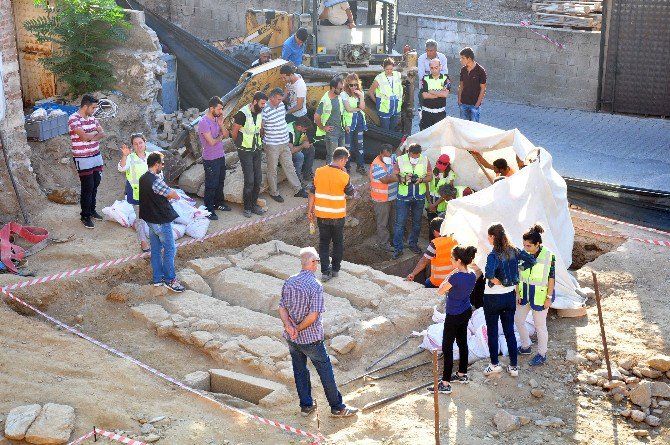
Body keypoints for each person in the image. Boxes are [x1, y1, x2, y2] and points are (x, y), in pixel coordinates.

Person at [278, 246, 359, 417]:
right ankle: (337, 407)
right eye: (317, 261)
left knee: (300, 370)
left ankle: (306, 406)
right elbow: (313, 316)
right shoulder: (315, 285)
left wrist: (289, 326)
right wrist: (298, 329)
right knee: (325, 371)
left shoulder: (289, 281)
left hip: (292, 339)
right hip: (311, 338)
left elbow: (282, 307)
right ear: (313, 263)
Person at [482, 223, 536, 377]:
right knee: (509, 332)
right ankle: (513, 367)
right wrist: (514, 275)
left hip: (492, 298)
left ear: (493, 237)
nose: (488, 238)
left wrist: (501, 280)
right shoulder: (513, 250)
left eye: (489, 236)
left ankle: (494, 365)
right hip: (509, 297)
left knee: (492, 332)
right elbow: (531, 261)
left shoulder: (493, 255)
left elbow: (489, 274)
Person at [429, 245, 481, 394]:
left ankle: (445, 383)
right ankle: (462, 374)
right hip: (465, 311)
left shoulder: (455, 276)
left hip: (453, 314)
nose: (451, 261)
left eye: (452, 259)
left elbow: (440, 290)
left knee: (447, 346)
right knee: (462, 342)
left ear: (458, 260)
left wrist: (450, 274)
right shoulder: (471, 274)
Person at [138, 152, 185, 293]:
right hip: (160, 220)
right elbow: (173, 195)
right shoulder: (156, 181)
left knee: (156, 250)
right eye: (162, 164)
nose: (162, 166)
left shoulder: (143, 178)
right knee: (170, 249)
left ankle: (158, 279)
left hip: (150, 220)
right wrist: (170, 194)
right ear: (157, 164)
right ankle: (170, 280)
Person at [307, 147, 354, 282]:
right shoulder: (344, 176)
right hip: (338, 216)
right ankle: (335, 270)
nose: (345, 163)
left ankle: (325, 272)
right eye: (345, 161)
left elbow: (312, 192)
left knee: (324, 243)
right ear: (341, 159)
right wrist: (345, 174)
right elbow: (351, 193)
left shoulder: (319, 172)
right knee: (338, 243)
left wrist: (310, 211)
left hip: (322, 215)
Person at [515, 224, 556, 367]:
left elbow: (551, 278)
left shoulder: (549, 256)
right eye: (524, 245)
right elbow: (518, 273)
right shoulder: (523, 254)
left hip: (540, 296)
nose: (526, 248)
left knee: (540, 326)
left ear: (537, 244)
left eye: (529, 246)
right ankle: (526, 346)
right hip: (524, 294)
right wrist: (517, 292)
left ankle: (542, 354)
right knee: (518, 320)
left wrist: (549, 298)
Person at [262, 87, 309, 203]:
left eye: (281, 99)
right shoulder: (265, 109)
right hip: (272, 144)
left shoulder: (282, 105)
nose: (280, 101)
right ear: (271, 97)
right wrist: (265, 140)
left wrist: (286, 139)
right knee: (272, 169)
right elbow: (261, 128)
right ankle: (274, 192)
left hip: (284, 143)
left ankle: (298, 189)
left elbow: (282, 122)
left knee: (289, 166)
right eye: (278, 99)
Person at [68, 94, 105, 229]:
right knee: (88, 186)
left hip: (96, 155)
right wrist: (92, 136)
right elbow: (83, 137)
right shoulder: (73, 119)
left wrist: (89, 137)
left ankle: (92, 210)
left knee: (96, 183)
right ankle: (85, 215)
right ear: (86, 106)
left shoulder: (93, 118)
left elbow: (103, 133)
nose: (94, 110)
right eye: (93, 107)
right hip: (82, 157)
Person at [231, 91, 268, 218]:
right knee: (250, 180)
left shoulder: (259, 112)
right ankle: (247, 208)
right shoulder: (242, 114)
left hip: (256, 149)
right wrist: (239, 145)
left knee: (258, 179)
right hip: (245, 150)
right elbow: (234, 132)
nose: (264, 106)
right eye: (262, 103)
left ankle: (253, 205)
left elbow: (259, 128)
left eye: (264, 104)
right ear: (255, 101)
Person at [392, 143, 432, 259]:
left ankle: (413, 244)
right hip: (403, 197)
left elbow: (430, 177)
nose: (415, 158)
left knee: (417, 223)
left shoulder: (425, 160)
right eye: (413, 156)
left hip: (418, 197)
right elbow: (394, 175)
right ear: (408, 152)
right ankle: (398, 248)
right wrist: (403, 179)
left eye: (417, 156)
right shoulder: (400, 160)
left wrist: (421, 180)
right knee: (399, 224)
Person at [198, 96, 231, 221]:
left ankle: (219, 203)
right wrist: (220, 137)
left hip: (220, 156)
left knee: (220, 182)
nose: (221, 111)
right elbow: (211, 142)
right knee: (211, 184)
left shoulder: (218, 120)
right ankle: (209, 209)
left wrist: (221, 125)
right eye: (219, 109)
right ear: (212, 108)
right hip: (210, 159)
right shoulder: (203, 123)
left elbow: (226, 135)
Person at [118, 133, 150, 252]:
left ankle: (155, 239)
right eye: (135, 144)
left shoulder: (151, 156)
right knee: (140, 218)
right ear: (132, 146)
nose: (139, 145)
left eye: (140, 143)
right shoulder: (130, 158)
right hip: (137, 194)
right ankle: (143, 242)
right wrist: (124, 156)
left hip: (151, 193)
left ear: (145, 143)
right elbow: (121, 168)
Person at [405, 217, 458, 288]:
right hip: (453, 279)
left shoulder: (435, 244)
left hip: (439, 282)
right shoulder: (455, 239)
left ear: (435, 231)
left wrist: (413, 274)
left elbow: (424, 261)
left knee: (427, 283)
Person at [369, 144, 398, 252]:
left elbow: (397, 154)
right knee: (383, 223)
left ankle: (394, 241)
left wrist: (403, 143)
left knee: (393, 221)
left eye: (389, 156)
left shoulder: (390, 158)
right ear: (380, 153)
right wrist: (398, 178)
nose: (388, 158)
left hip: (392, 197)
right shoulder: (377, 165)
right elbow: (385, 180)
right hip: (381, 200)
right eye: (386, 155)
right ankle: (383, 243)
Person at [341, 72, 367, 175]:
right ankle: (347, 167)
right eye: (351, 85)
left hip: (359, 122)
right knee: (348, 147)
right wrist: (358, 109)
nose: (353, 87)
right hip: (348, 123)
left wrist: (361, 96)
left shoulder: (360, 93)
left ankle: (360, 166)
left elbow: (363, 107)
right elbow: (348, 109)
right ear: (347, 85)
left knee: (360, 146)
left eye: (355, 84)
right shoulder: (344, 94)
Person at [315, 77, 345, 164]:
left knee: (341, 155)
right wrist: (323, 127)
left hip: (341, 130)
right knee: (332, 156)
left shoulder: (339, 96)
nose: (342, 90)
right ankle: (330, 174)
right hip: (332, 133)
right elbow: (316, 117)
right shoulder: (325, 100)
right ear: (333, 88)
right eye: (340, 89)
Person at [426, 154, 456, 239]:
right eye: (440, 164)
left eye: (443, 165)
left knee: (440, 229)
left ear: (447, 165)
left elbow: (447, 193)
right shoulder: (432, 172)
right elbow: (427, 187)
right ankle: (431, 248)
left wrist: (434, 204)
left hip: (441, 205)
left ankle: (438, 249)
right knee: (431, 227)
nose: (440, 167)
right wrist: (430, 203)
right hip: (430, 201)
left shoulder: (451, 175)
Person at [368, 58, 403, 131]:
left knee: (393, 129)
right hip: (384, 109)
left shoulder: (398, 75)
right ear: (383, 68)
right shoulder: (379, 78)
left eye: (391, 69)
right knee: (385, 131)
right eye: (387, 69)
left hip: (396, 108)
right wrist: (376, 102)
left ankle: (391, 142)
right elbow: (370, 92)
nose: (389, 71)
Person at [420, 58, 451, 131]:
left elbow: (445, 94)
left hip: (440, 113)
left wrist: (431, 91)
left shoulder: (445, 78)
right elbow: (425, 95)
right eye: (432, 68)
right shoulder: (425, 78)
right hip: (427, 113)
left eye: (436, 68)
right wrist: (440, 93)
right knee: (426, 135)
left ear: (440, 67)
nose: (434, 70)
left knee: (439, 135)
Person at [458, 47, 486, 122]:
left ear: (469, 58)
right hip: (463, 104)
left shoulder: (481, 71)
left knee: (473, 130)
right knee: (463, 128)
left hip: (474, 105)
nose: (461, 60)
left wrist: (477, 104)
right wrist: (459, 101)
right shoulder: (463, 70)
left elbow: (483, 89)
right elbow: (461, 85)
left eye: (463, 58)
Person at [288, 116, 314, 185]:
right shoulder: (289, 131)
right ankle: (298, 182)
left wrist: (307, 141)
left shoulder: (299, 127)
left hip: (295, 147)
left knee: (311, 149)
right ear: (299, 127)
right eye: (305, 129)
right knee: (300, 156)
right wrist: (302, 146)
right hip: (285, 152)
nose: (306, 131)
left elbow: (304, 139)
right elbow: (290, 151)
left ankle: (307, 174)